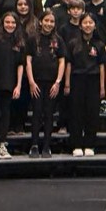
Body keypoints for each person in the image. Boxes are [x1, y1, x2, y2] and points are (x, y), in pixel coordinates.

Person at [65, 13, 106, 157]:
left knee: (92, 113)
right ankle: (76, 145)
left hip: (93, 81)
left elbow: (102, 67)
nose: (88, 25)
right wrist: (67, 84)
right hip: (76, 80)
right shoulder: (73, 43)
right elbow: (68, 64)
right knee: (76, 113)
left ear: (95, 25)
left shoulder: (100, 45)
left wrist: (102, 87)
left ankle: (89, 144)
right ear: (80, 25)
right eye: (85, 23)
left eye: (91, 23)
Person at [25, 9, 64, 158]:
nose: (49, 24)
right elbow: (28, 61)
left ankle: (47, 146)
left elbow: (62, 61)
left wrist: (58, 82)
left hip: (52, 83)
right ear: (41, 21)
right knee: (36, 113)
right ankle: (34, 145)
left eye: (52, 21)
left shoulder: (58, 40)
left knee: (49, 114)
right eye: (46, 20)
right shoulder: (32, 39)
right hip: (36, 82)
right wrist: (31, 82)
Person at [0, 12, 24, 159]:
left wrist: (18, 85)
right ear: (2, 23)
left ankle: (2, 143)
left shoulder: (18, 42)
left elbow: (21, 65)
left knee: (6, 113)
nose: (10, 25)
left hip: (10, 82)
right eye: (7, 22)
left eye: (13, 23)